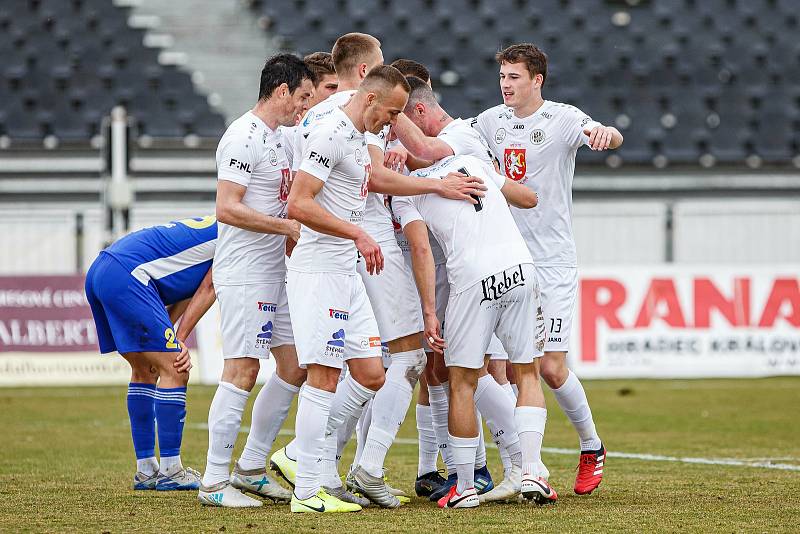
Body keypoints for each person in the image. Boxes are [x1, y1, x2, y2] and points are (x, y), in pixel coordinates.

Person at [473, 43, 623, 495]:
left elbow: (607, 134)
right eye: (502, 76)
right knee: (498, 368)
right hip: (505, 258)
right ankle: (522, 469)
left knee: (551, 368)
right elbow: (448, 141)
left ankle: (591, 445)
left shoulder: (562, 118)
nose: (506, 84)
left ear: (537, 80)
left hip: (552, 262)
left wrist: (605, 135)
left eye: (515, 77)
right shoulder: (488, 122)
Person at [285, 65, 413, 514]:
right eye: (392, 112)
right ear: (370, 99)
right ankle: (307, 491)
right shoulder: (333, 134)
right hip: (320, 270)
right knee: (323, 375)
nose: (394, 122)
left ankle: (311, 466)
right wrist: (357, 234)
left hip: (347, 271)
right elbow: (297, 203)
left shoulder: (361, 139)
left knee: (372, 373)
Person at [394, 154, 555, 508]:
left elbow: (420, 248)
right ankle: (531, 471)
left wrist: (429, 311)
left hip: (472, 277)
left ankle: (465, 487)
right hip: (521, 267)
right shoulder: (470, 159)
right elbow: (528, 197)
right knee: (527, 372)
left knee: (462, 381)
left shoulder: (407, 191)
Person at [197, 54, 315, 508]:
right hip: (247, 272)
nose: (304, 108)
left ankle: (249, 468)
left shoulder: (284, 137)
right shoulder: (241, 137)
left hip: (278, 273)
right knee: (242, 371)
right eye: (302, 97)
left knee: (295, 366)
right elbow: (227, 207)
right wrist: (284, 226)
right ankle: (212, 483)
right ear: (282, 91)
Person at [84, 215, 217, 491]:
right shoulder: (238, 236)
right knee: (176, 368)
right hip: (129, 275)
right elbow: (209, 287)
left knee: (146, 369)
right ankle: (171, 469)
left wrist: (170, 335)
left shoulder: (218, 224)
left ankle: (146, 470)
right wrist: (178, 340)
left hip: (102, 269)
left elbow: (185, 291)